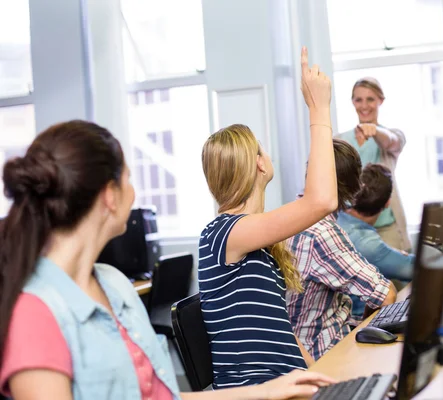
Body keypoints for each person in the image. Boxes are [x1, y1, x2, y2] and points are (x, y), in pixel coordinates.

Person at [0, 120, 335, 400]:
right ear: (109, 196)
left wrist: (266, 391)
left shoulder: (113, 284)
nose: (135, 193)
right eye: (129, 178)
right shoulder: (35, 313)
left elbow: (163, 396)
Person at [198, 47, 338, 389]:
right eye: (261, 147)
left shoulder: (252, 239)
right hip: (258, 392)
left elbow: (280, 331)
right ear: (259, 164)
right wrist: (319, 110)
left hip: (286, 385)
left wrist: (320, 376)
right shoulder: (222, 235)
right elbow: (322, 200)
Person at [286, 139, 398, 361]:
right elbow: (386, 296)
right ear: (355, 187)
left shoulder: (287, 216)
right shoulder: (322, 233)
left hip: (302, 347)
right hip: (323, 355)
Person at [336, 77, 410, 251]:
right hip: (351, 228)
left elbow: (391, 141)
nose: (364, 106)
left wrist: (375, 130)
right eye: (358, 99)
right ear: (352, 102)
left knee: (400, 274)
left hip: (387, 227)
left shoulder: (391, 135)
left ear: (380, 101)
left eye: (370, 99)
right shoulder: (340, 140)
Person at [337, 163, 415, 320]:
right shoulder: (367, 243)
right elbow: (413, 269)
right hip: (354, 323)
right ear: (387, 203)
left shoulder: (337, 216)